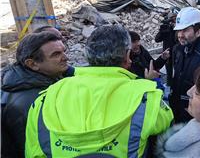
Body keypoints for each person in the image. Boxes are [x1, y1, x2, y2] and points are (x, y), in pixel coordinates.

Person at [25, 25, 173, 157]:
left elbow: (34, 152)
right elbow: (167, 130)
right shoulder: (147, 98)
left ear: (88, 55)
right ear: (127, 56)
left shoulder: (45, 99)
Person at [1, 32, 70, 158]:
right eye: (56, 54)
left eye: (63, 51)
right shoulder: (33, 102)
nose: (65, 57)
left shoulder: (17, 82)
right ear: (32, 64)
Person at [155, 12, 177, 81]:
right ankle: (169, 85)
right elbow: (157, 39)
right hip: (168, 54)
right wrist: (162, 30)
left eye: (175, 19)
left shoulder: (179, 28)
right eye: (172, 19)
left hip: (178, 54)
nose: (173, 21)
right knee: (169, 73)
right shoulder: (166, 29)